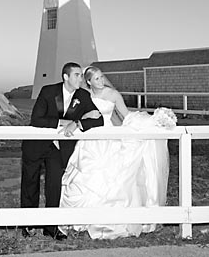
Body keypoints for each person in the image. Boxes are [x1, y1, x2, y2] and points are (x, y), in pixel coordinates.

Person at [59, 66, 174, 240]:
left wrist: (152, 121)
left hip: (110, 138)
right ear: (88, 81)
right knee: (83, 176)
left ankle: (109, 218)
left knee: (111, 176)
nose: (101, 81)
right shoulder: (83, 95)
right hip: (90, 139)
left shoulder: (113, 95)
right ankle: (80, 218)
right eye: (96, 79)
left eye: (102, 77)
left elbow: (127, 116)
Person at [20, 62, 104, 240]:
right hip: (36, 144)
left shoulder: (83, 95)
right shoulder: (48, 91)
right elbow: (37, 119)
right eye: (77, 75)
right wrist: (66, 123)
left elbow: (99, 119)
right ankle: (28, 223)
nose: (81, 79)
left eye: (81, 75)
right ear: (66, 77)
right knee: (30, 183)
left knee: (54, 185)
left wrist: (79, 123)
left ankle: (51, 227)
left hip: (59, 147)